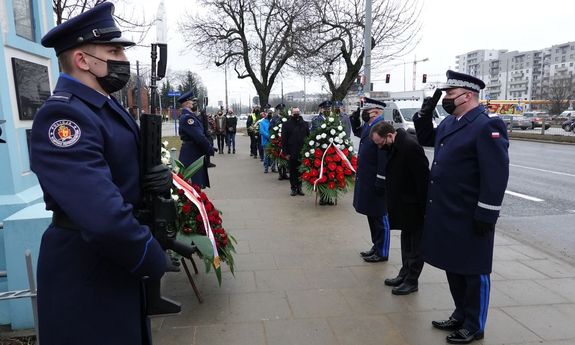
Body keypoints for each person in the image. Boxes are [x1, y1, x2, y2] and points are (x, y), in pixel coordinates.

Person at [30, 3, 170, 344]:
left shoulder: (102, 106)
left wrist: (155, 175)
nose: (122, 58)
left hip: (111, 264)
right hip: (87, 272)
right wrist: (149, 254)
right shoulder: (64, 116)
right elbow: (101, 215)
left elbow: (117, 168)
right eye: (113, 50)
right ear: (82, 60)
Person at [413, 70, 509, 344]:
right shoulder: (452, 122)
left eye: (450, 95)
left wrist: (487, 213)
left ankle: (475, 324)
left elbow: (496, 173)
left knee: (473, 270)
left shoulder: (487, 124)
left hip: (470, 213)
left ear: (468, 96)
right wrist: (423, 115)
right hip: (447, 210)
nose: (446, 99)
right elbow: (427, 139)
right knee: (453, 266)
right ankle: (460, 313)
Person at [370, 121, 429, 295]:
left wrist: (425, 210)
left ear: (389, 135)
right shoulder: (395, 145)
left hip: (415, 206)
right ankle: (404, 273)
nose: (380, 147)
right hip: (404, 204)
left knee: (416, 247)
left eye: (381, 143)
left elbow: (423, 180)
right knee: (406, 242)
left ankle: (412, 280)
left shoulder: (410, 147)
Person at [350, 97, 390, 262]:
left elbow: (384, 156)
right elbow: (361, 134)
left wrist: (381, 179)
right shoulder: (370, 125)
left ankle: (382, 251)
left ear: (376, 111)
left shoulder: (381, 127)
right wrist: (353, 119)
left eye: (367, 109)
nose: (364, 112)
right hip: (367, 179)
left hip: (376, 180)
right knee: (371, 215)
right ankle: (376, 245)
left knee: (380, 216)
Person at [178, 91, 215, 188]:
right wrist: (209, 148)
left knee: (197, 186)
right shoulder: (188, 118)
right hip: (192, 155)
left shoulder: (191, 116)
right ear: (186, 103)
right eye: (192, 101)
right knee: (194, 187)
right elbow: (199, 137)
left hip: (194, 153)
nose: (194, 103)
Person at [281, 107, 309, 196]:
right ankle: (293, 188)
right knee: (292, 171)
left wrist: (308, 151)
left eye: (298, 112)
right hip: (291, 152)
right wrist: (286, 153)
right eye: (294, 112)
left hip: (302, 152)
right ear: (291, 113)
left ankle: (300, 188)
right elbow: (284, 140)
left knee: (301, 171)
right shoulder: (286, 124)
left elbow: (308, 138)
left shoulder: (304, 124)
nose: (296, 113)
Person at [273, 103, 289, 180]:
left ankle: (285, 173)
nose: (282, 111)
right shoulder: (275, 118)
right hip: (277, 140)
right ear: (278, 110)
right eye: (280, 109)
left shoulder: (287, 117)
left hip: (286, 140)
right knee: (279, 156)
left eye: (283, 109)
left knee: (285, 156)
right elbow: (271, 128)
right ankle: (280, 173)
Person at [259, 108, 275, 173]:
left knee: (274, 154)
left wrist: (273, 136)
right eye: (269, 113)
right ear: (266, 114)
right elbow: (261, 131)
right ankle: (266, 168)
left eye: (271, 113)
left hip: (273, 141)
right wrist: (269, 136)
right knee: (266, 155)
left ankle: (273, 167)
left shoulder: (273, 121)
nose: (270, 114)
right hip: (266, 141)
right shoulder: (262, 122)